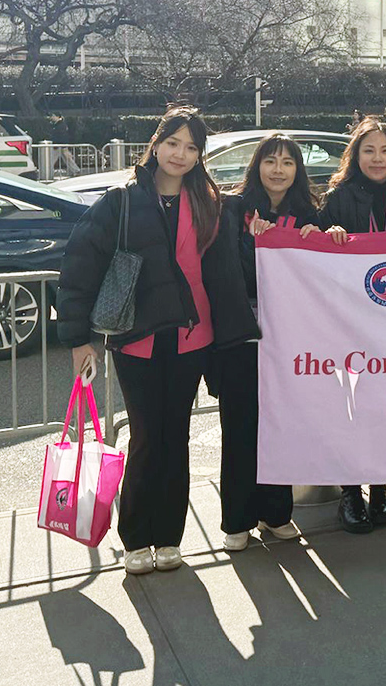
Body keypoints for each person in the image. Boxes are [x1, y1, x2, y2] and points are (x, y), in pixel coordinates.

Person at [58, 106, 251, 575]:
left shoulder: (210, 203)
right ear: (156, 144)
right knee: (146, 436)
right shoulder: (120, 201)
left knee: (175, 437)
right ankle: (135, 538)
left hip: (192, 337)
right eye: (173, 143)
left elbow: (230, 263)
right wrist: (78, 339)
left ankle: (168, 537)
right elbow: (79, 269)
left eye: (191, 147)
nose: (180, 154)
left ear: (200, 155)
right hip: (136, 339)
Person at [218, 134, 328, 552]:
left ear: (298, 170)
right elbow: (229, 272)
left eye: (287, 162)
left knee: (282, 425)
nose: (278, 170)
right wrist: (253, 242)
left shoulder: (307, 213)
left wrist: (324, 239)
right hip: (243, 337)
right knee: (241, 427)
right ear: (256, 166)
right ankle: (237, 519)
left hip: (290, 339)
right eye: (270, 161)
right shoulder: (233, 209)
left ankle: (277, 513)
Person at [320, 118, 386, 534]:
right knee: (352, 407)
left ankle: (381, 491)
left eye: (385, 151)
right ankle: (351, 493)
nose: (377, 159)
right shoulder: (337, 198)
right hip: (349, 323)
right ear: (355, 155)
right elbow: (313, 249)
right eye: (368, 151)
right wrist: (328, 234)